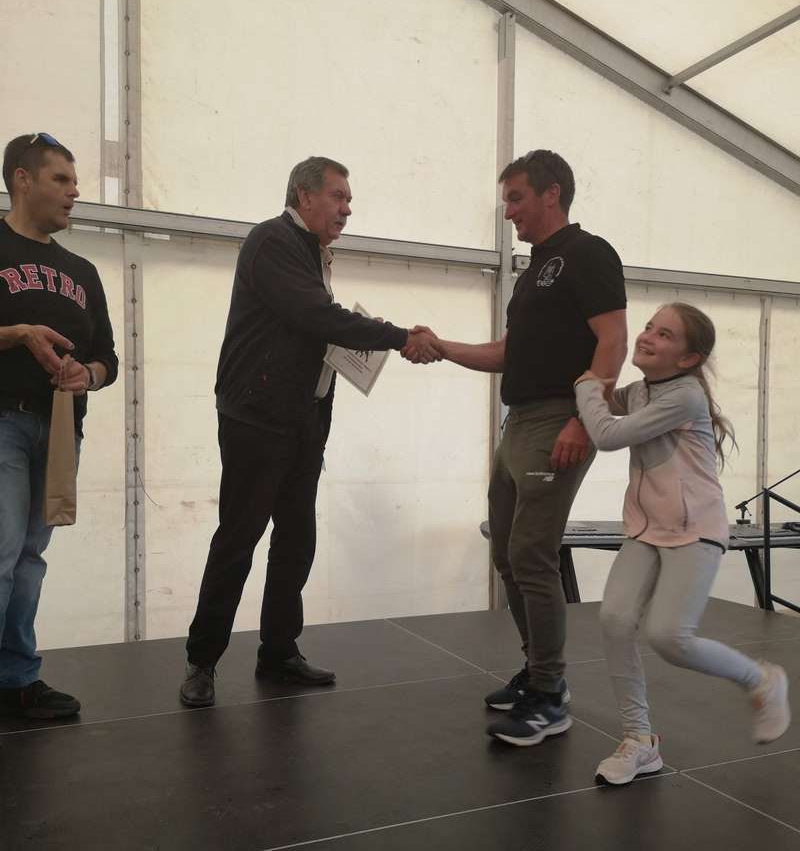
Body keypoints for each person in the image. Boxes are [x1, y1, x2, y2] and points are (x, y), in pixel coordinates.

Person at [180, 156, 439, 708]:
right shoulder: (272, 241)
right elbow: (315, 315)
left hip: (303, 417)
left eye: (349, 199)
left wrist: (367, 336)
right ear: (304, 196)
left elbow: (317, 319)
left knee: (296, 538)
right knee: (239, 538)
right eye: (338, 196)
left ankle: (278, 650)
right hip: (257, 417)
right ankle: (201, 661)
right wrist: (399, 337)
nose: (347, 209)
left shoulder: (311, 252)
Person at [406, 150, 627, 746]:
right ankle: (538, 672)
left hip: (559, 418)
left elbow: (613, 340)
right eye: (507, 201)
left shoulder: (588, 253)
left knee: (532, 554)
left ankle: (550, 696)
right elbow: (509, 352)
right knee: (507, 550)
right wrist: (442, 346)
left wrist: (585, 419)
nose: (508, 212)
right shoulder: (534, 271)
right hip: (520, 422)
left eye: (516, 198)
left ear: (551, 194)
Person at [574, 302, 791, 785]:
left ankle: (762, 680)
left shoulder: (687, 397)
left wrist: (587, 386)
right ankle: (639, 741)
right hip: (646, 527)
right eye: (649, 327)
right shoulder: (640, 391)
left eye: (665, 335)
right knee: (614, 619)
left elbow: (607, 433)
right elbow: (607, 402)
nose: (648, 336)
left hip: (695, 530)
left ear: (689, 358)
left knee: (670, 637)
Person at [0, 133, 118, 718]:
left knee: (29, 558)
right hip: (4, 420)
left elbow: (108, 358)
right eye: (61, 180)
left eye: (74, 182)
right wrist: (19, 334)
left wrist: (86, 375)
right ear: (22, 180)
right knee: (2, 554)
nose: (74, 192)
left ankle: (17, 679)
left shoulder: (82, 271)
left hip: (61, 430)